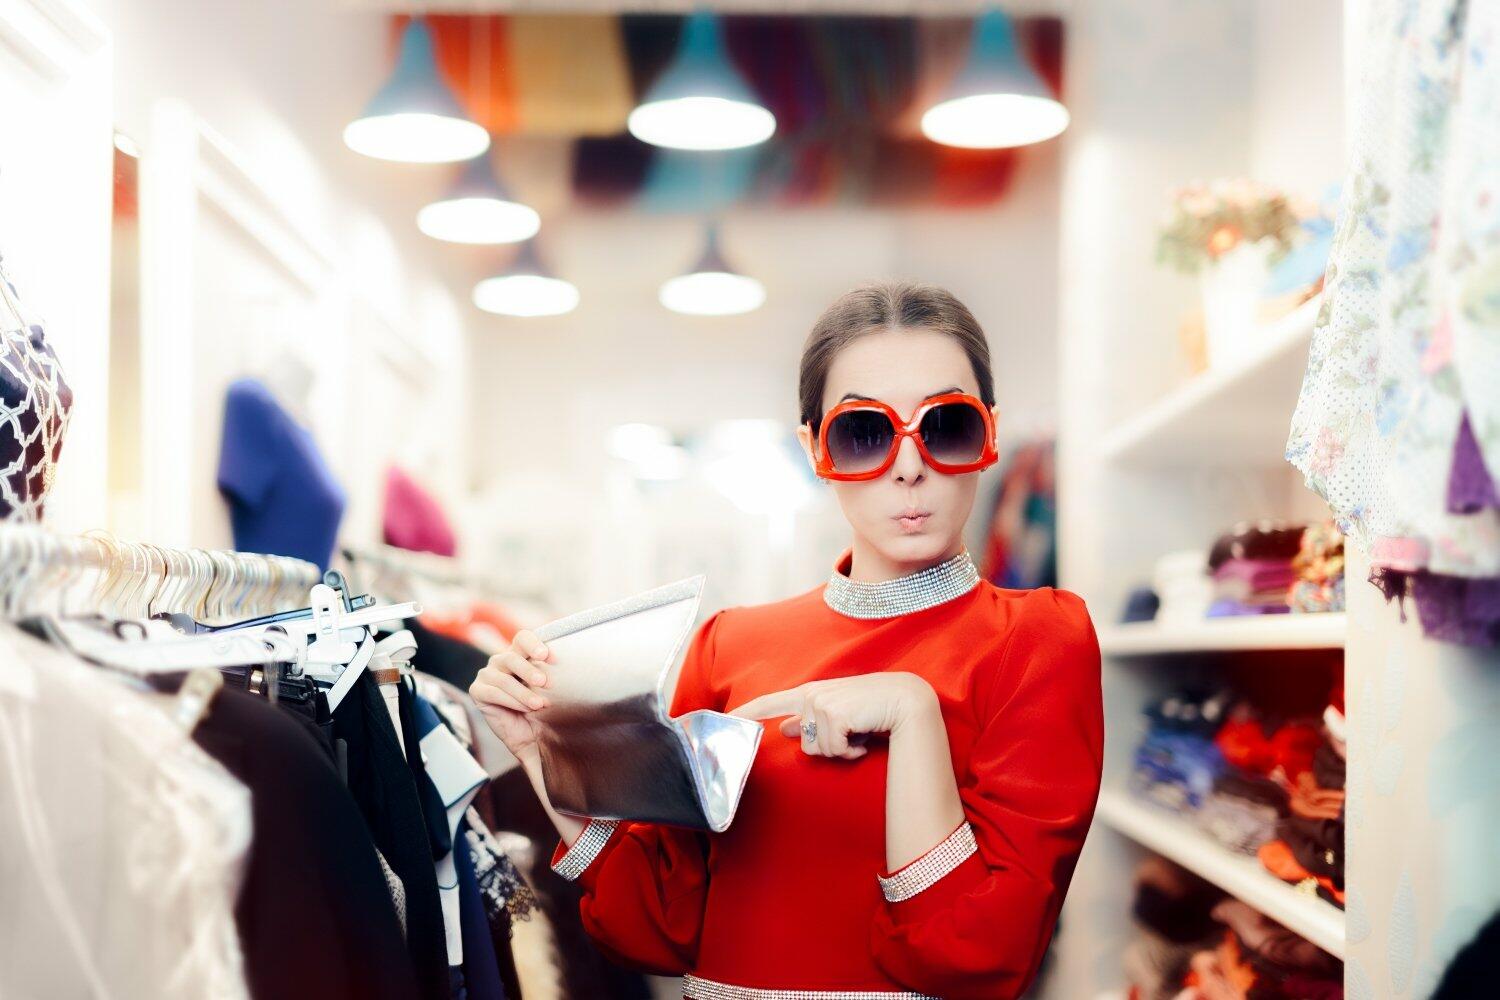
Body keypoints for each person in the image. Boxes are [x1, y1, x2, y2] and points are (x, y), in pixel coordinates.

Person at [470, 281, 1105, 1000]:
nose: (907, 465)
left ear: (988, 434)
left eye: (946, 426)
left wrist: (912, 710)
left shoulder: (1039, 639)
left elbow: (978, 958)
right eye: (864, 432)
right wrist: (543, 748)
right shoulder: (729, 644)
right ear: (815, 448)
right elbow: (658, 929)